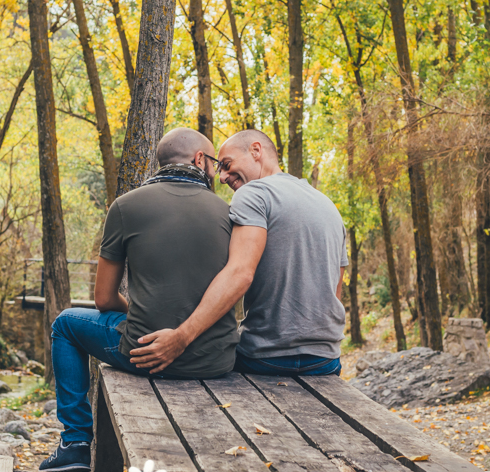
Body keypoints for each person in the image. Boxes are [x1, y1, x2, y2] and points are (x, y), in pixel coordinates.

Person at [39, 128, 238, 472]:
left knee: (65, 324)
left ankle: (75, 443)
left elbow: (103, 298)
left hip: (143, 354)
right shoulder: (229, 213)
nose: (217, 174)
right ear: (199, 160)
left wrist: (139, 314)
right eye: (214, 164)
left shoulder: (125, 207)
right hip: (215, 361)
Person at [130, 129, 347, 377]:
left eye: (227, 164)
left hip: (265, 359)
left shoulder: (254, 193)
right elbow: (336, 290)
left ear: (256, 151)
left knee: (194, 363)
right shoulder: (327, 205)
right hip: (326, 361)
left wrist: (181, 337)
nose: (221, 177)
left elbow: (240, 273)